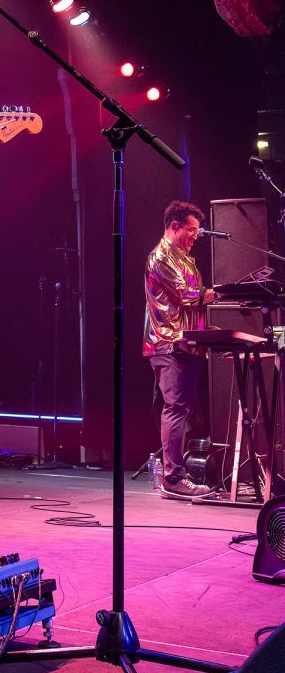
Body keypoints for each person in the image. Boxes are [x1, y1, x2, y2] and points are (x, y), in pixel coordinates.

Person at [143, 199, 215, 500]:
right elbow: (187, 296)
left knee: (183, 409)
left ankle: (178, 474)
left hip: (186, 343)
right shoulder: (161, 256)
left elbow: (189, 305)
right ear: (175, 226)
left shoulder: (184, 258)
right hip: (169, 344)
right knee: (176, 409)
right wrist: (219, 293)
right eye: (192, 230)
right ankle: (172, 479)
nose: (196, 236)